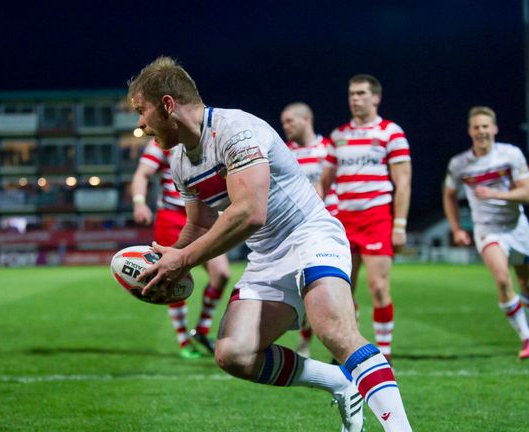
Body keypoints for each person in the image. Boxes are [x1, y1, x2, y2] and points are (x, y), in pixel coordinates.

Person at [129, 56, 412, 431]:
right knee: (234, 353)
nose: (140, 124)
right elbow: (198, 225)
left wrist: (182, 261)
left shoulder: (235, 130)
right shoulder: (181, 161)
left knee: (335, 331)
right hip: (265, 255)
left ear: (167, 104)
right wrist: (169, 261)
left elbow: (250, 212)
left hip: (309, 234)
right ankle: (341, 383)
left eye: (141, 110)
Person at [321, 75, 412, 363]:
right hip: (344, 220)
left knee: (379, 287)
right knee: (343, 289)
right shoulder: (338, 135)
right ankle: (352, 348)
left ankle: (384, 352)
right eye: (352, 94)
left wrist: (400, 224)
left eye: (361, 93)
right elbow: (324, 181)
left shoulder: (390, 132)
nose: (355, 98)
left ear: (376, 98)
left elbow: (403, 182)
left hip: (377, 218)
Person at [443, 106, 529, 359]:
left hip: (516, 227)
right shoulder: (459, 164)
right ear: (470, 131)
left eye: (485, 126)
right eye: (476, 127)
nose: (481, 131)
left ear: (495, 128)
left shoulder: (510, 155)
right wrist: (456, 228)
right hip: (487, 230)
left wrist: (496, 194)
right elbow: (449, 194)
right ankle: (526, 338)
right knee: (502, 279)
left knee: (526, 281)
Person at [131, 138, 231, 359]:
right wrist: (139, 202)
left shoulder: (209, 138)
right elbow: (142, 174)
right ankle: (184, 340)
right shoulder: (162, 141)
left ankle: (201, 331)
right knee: (172, 277)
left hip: (205, 216)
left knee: (221, 275)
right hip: (172, 218)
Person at [280, 102, 339, 358]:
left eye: (290, 121)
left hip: (330, 228)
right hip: (299, 230)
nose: (285, 126)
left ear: (306, 120)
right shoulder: (284, 153)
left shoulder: (328, 149)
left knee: (337, 288)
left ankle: (343, 345)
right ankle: (305, 342)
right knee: (306, 288)